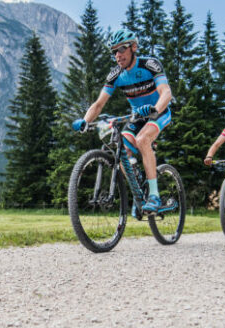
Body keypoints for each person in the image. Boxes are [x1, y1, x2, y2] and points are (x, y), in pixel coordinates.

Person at [72, 29, 173, 213]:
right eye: (114, 52)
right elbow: (99, 104)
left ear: (134, 47)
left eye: (122, 49)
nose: (118, 55)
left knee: (143, 140)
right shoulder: (115, 75)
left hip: (159, 112)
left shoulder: (150, 65)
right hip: (136, 118)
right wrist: (85, 121)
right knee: (120, 150)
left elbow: (166, 92)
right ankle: (138, 192)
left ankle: (155, 195)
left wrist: (155, 109)